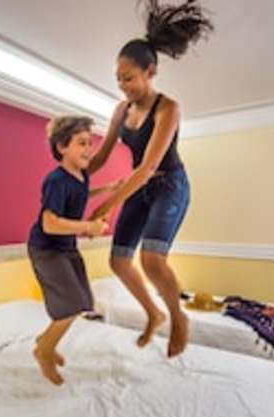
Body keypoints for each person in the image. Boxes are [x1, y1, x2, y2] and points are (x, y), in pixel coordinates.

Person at [88, 0, 214, 358]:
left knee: (152, 261)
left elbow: (147, 167)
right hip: (140, 188)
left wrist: (106, 206)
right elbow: (101, 156)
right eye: (118, 79)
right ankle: (153, 312)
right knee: (118, 261)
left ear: (150, 71)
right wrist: (74, 177)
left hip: (169, 185)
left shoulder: (168, 108)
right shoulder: (121, 110)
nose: (122, 85)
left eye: (128, 77)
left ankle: (178, 317)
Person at [28, 115, 122, 385]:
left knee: (83, 301)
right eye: (82, 143)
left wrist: (105, 190)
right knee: (69, 306)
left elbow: (79, 194)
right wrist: (88, 227)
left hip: (66, 247)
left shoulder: (80, 176)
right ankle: (44, 351)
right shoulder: (56, 180)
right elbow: (49, 223)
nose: (89, 149)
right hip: (47, 249)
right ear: (62, 147)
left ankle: (45, 340)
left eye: (90, 143)